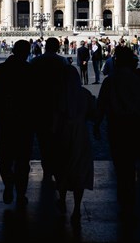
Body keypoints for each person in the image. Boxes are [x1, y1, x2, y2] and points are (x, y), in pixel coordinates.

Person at [93, 46, 140, 218]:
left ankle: (123, 194)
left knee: (120, 162)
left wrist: (96, 125)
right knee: (131, 162)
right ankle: (130, 194)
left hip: (117, 125)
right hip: (135, 125)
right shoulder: (139, 80)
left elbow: (101, 104)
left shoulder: (111, 80)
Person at [0, 39, 34, 207]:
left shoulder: (2, 69)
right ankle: (20, 192)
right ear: (26, 52)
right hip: (25, 121)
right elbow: (37, 98)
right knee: (23, 159)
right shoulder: (29, 70)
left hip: (6, 119)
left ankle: (8, 184)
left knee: (5, 156)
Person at [29, 37, 79, 180]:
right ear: (58, 47)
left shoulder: (35, 61)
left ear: (45, 47)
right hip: (58, 105)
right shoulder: (62, 62)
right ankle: (55, 167)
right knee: (57, 139)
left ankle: (47, 168)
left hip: (39, 105)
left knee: (43, 139)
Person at [53, 67, 96, 225]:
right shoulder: (84, 94)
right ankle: (77, 207)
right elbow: (93, 113)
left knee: (62, 167)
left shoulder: (58, 95)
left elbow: (54, 117)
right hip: (80, 134)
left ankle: (62, 198)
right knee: (79, 168)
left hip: (62, 132)